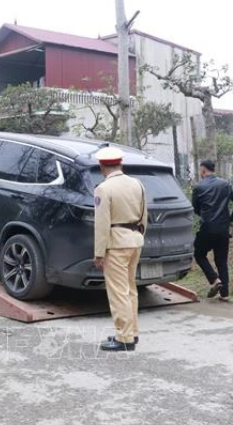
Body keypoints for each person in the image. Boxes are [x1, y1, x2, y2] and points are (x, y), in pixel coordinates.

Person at [93, 146, 147, 352]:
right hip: (135, 240)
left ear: (101, 167)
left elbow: (101, 224)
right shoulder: (138, 184)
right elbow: (144, 215)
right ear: (121, 164)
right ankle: (131, 332)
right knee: (130, 289)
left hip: (116, 244)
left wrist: (99, 252)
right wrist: (140, 236)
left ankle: (123, 337)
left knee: (118, 292)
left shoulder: (103, 189)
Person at [192, 159, 233, 302]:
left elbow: (195, 208)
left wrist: (205, 216)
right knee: (222, 261)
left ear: (203, 170)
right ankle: (225, 294)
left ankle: (214, 280)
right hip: (223, 229)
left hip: (207, 229)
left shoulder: (198, 187)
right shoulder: (226, 184)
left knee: (198, 254)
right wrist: (232, 219)